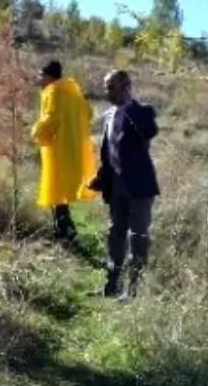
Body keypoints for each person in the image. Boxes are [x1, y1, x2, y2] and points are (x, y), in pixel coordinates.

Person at [89, 69, 160, 300]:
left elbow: (149, 132)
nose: (106, 91)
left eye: (111, 87)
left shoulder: (142, 112)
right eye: (106, 87)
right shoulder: (109, 115)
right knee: (115, 234)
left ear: (126, 88)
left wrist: (129, 107)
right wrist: (101, 177)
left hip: (139, 186)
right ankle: (111, 286)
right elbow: (109, 151)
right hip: (116, 184)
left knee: (137, 237)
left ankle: (134, 292)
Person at [30, 59, 97, 242]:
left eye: (40, 75)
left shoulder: (53, 92)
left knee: (56, 189)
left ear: (49, 77)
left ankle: (64, 231)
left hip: (57, 148)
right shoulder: (74, 93)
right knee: (61, 190)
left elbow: (50, 120)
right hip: (74, 148)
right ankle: (64, 229)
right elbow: (89, 114)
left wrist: (35, 132)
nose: (38, 79)